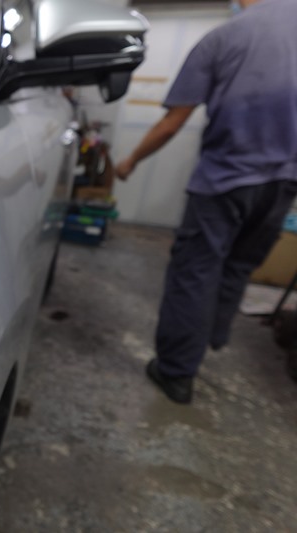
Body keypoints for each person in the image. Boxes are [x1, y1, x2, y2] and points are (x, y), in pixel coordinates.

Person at [115, 0, 297, 404]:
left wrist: (130, 161)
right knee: (238, 264)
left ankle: (176, 372)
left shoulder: (223, 38)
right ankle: (213, 334)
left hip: (226, 180)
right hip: (284, 182)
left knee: (196, 270)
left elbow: (171, 123)